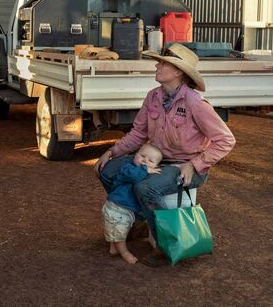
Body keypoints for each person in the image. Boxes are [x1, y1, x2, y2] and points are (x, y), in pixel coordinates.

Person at [94, 43, 236, 267]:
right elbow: (138, 133)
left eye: (163, 63)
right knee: (107, 170)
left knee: (145, 188)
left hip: (185, 166)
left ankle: (165, 244)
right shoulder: (153, 97)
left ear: (178, 71)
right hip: (156, 160)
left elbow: (226, 140)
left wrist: (194, 164)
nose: (157, 65)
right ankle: (136, 218)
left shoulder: (194, 102)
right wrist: (112, 151)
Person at [99, 143, 163, 264]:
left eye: (150, 160)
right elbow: (133, 176)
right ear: (135, 155)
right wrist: (146, 169)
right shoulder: (128, 168)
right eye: (142, 156)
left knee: (115, 229)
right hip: (117, 208)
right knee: (120, 233)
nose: (144, 161)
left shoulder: (142, 172)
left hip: (122, 209)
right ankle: (124, 252)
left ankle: (113, 248)